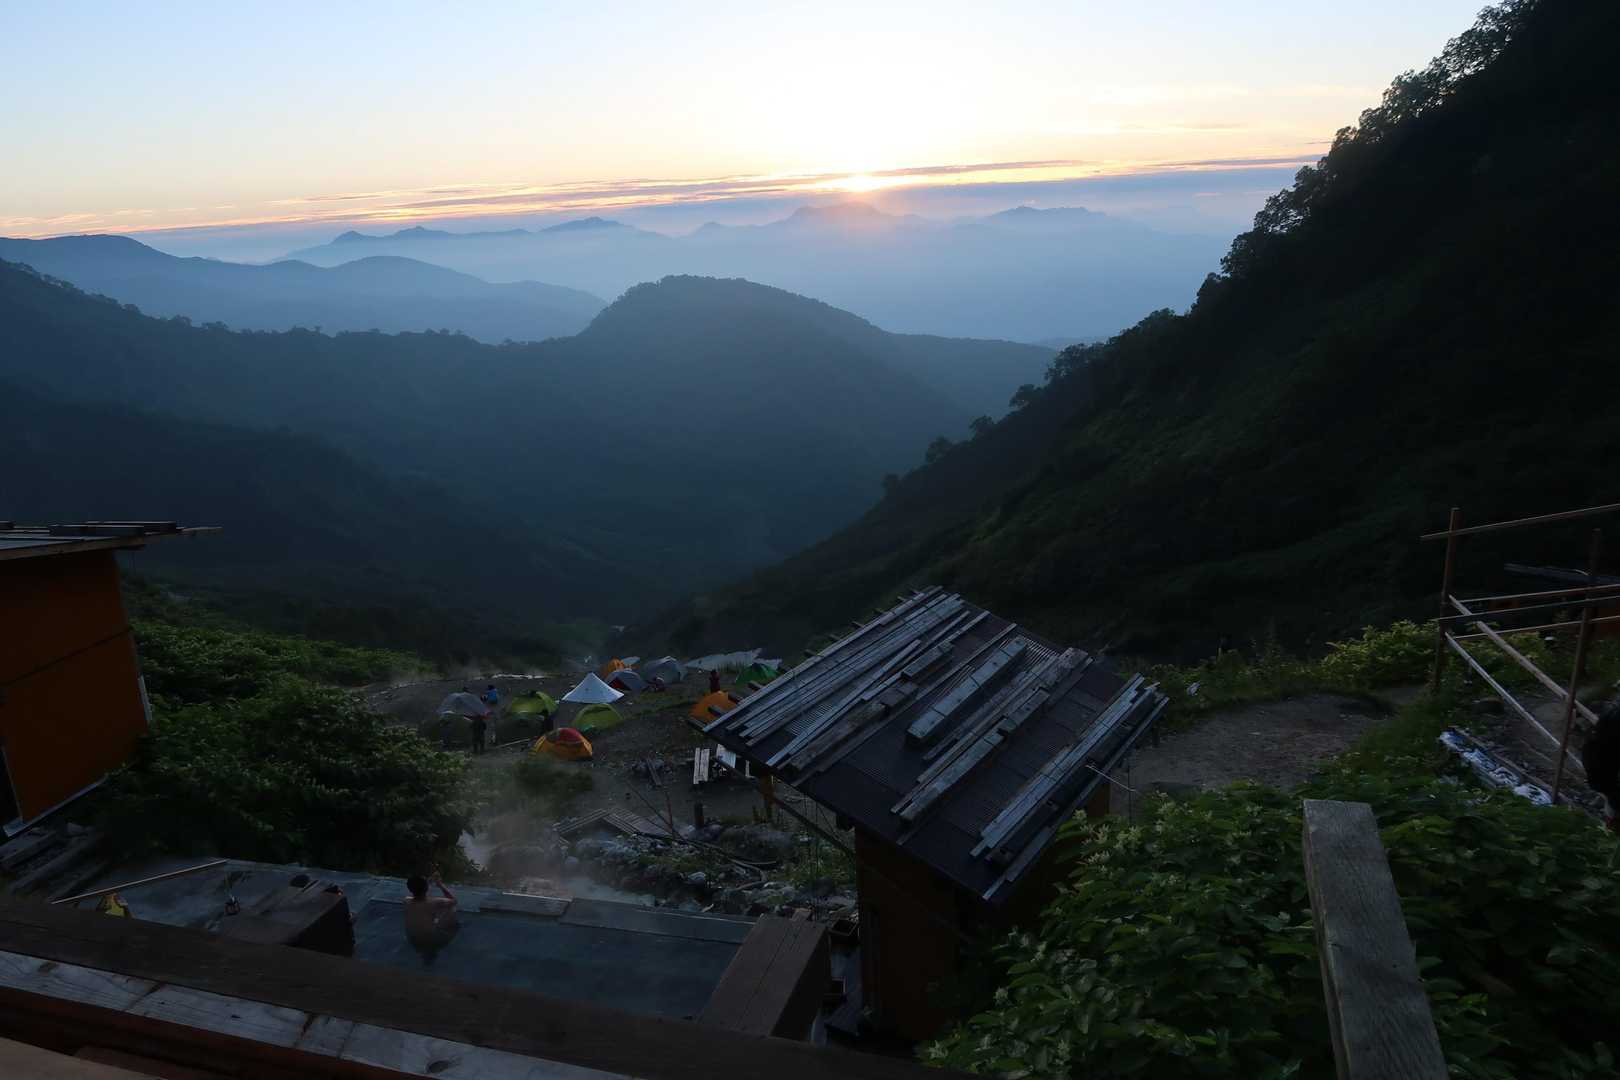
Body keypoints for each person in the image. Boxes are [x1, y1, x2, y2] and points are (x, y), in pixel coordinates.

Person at [403, 868, 458, 966]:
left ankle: (427, 953)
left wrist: (429, 881)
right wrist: (440, 884)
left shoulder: (406, 901)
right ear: (427, 888)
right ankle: (431, 952)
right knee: (451, 911)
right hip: (430, 940)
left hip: (413, 940)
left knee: (427, 917)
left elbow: (418, 891)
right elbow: (454, 901)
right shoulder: (435, 902)